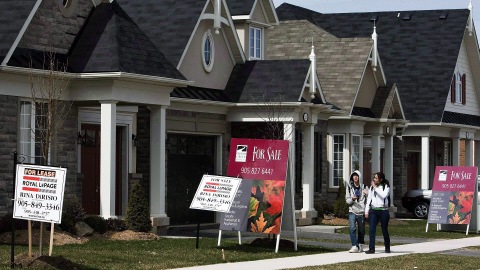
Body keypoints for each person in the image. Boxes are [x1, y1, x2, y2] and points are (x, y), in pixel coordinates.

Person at [364, 171, 391, 254]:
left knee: (384, 230)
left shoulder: (385, 186)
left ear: (381, 179)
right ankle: (371, 249)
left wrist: (375, 188)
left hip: (383, 210)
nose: (374, 179)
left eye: (376, 178)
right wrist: (366, 211)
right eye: (374, 178)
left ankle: (387, 247)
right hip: (374, 210)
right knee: (372, 229)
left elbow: (383, 195)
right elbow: (369, 199)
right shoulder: (372, 188)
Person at [345, 170, 368, 253]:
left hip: (361, 211)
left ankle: (360, 244)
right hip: (352, 210)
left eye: (357, 175)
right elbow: (347, 200)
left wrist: (367, 193)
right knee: (352, 228)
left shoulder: (365, 187)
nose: (355, 177)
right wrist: (352, 199)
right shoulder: (349, 187)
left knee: (361, 230)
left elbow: (370, 199)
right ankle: (354, 245)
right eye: (353, 176)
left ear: (359, 177)